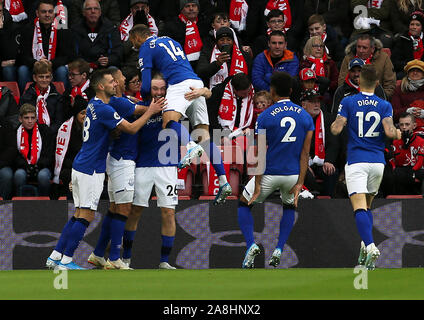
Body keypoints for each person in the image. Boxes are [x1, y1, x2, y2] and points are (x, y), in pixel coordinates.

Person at [45, 69, 165, 270]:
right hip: (91, 168)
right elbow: (132, 128)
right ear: (101, 86)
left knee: (77, 214)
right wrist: (151, 111)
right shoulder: (105, 110)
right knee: (86, 215)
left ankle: (55, 256)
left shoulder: (94, 104)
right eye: (111, 82)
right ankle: (66, 261)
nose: (115, 84)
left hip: (81, 164)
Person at [130, 24, 233, 205]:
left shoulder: (147, 46)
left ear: (138, 37)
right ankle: (224, 182)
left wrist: (146, 101)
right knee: (204, 136)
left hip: (179, 85)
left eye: (132, 41)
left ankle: (190, 146)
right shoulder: (171, 41)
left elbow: (146, 85)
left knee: (168, 121)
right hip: (195, 82)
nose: (133, 45)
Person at [121, 73, 213, 269]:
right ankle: (126, 259)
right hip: (142, 166)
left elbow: (206, 93)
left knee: (168, 212)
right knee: (135, 211)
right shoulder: (140, 107)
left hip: (168, 168)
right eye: (155, 88)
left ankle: (164, 261)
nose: (159, 92)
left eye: (162, 88)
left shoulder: (176, 105)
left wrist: (203, 90)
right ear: (148, 89)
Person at [238, 71, 314, 268]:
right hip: (292, 174)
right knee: (289, 207)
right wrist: (300, 182)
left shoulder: (264, 117)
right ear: (290, 90)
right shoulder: (306, 117)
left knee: (243, 204)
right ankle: (279, 248)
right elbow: (305, 154)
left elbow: (260, 152)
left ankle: (250, 245)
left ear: (272, 92)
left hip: (270, 173)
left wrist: (257, 184)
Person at [330, 65, 401, 270]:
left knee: (359, 206)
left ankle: (371, 246)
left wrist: (336, 125)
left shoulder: (348, 101)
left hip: (357, 161)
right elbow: (389, 131)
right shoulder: (383, 104)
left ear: (359, 81)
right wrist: (398, 134)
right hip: (378, 163)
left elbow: (336, 127)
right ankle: (365, 245)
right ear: (377, 83)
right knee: (368, 205)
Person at [17, 0, 75, 92]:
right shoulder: (28, 29)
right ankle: (24, 100)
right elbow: (22, 56)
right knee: (22, 70)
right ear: (37, 13)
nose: (47, 15)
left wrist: (51, 63)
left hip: (54, 66)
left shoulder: (62, 30)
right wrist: (35, 63)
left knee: (62, 70)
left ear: (54, 13)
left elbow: (67, 56)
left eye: (50, 12)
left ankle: (62, 100)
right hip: (34, 66)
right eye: (43, 12)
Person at [300, 89, 340, 198]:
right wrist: (304, 164)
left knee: (332, 171)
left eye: (318, 101)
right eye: (313, 102)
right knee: (303, 174)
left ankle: (328, 201)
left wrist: (329, 161)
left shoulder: (329, 119)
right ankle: (313, 198)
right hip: (302, 161)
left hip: (321, 161)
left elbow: (334, 143)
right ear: (303, 104)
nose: (317, 104)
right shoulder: (296, 120)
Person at [13, 103, 55, 197]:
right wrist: (25, 166)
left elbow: (49, 153)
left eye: (32, 118)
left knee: (43, 176)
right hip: (23, 167)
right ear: (20, 119)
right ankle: (19, 205)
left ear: (36, 118)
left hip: (42, 166)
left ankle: (44, 205)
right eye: (26, 118)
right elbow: (14, 155)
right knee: (19, 175)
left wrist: (38, 166)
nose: (30, 121)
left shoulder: (45, 131)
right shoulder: (15, 132)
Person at [337, 34, 396, 99]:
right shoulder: (348, 58)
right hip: (352, 98)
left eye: (364, 48)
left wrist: (381, 98)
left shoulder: (383, 58)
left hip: (376, 99)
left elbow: (390, 83)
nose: (360, 50)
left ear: (372, 49)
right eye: (358, 47)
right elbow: (342, 81)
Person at [71, 0, 123, 72]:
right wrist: (86, 64)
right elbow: (73, 53)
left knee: (114, 70)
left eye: (96, 9)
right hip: (81, 68)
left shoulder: (111, 28)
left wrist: (109, 60)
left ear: (100, 12)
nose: (93, 11)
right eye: (89, 9)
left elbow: (117, 51)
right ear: (83, 13)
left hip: (104, 68)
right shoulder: (75, 29)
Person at [19, 60, 64, 136]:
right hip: (31, 134)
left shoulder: (57, 97)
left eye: (47, 77)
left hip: (51, 135)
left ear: (51, 78)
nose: (44, 80)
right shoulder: (27, 97)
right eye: (41, 77)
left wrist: (48, 132)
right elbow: (22, 119)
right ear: (34, 78)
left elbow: (59, 121)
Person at [383, 112, 424, 195]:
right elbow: (392, 160)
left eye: (407, 124)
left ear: (414, 126)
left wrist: (412, 172)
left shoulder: (421, 141)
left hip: (416, 169)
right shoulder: (394, 141)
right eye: (401, 125)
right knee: (389, 174)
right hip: (399, 170)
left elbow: (420, 162)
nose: (404, 127)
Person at [162, 0, 209, 69]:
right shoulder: (171, 25)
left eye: (194, 6)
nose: (191, 9)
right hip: (180, 65)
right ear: (182, 10)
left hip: (202, 64)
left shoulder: (204, 24)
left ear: (198, 9)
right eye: (187, 6)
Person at [392, 11, 424, 79]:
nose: (414, 27)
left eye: (417, 25)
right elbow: (395, 61)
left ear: (422, 27)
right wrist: (410, 64)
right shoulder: (402, 39)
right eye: (412, 24)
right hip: (407, 71)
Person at [391, 59, 424, 125]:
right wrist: (407, 111)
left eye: (418, 71)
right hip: (404, 126)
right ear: (407, 74)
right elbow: (393, 114)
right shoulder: (399, 89)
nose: (415, 73)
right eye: (412, 71)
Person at [0, 1, 19, 82]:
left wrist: (1, 30)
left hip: (14, 62)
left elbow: (10, 52)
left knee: (22, 70)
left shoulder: (13, 27)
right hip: (3, 64)